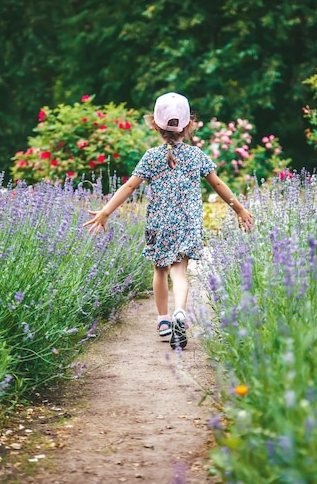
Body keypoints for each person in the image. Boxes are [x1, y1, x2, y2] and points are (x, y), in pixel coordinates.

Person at [83, 92, 253, 350]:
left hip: (159, 223)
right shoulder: (196, 156)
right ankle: (180, 313)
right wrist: (239, 210)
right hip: (188, 222)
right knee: (180, 272)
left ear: (155, 125)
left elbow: (129, 187)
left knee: (160, 270)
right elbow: (217, 184)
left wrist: (106, 212)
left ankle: (163, 320)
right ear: (189, 125)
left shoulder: (151, 157)